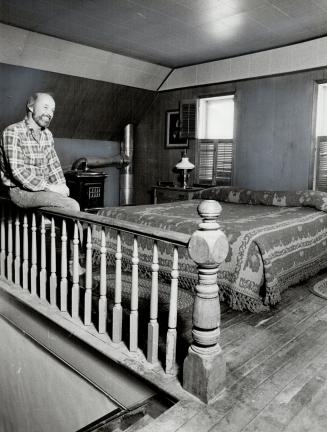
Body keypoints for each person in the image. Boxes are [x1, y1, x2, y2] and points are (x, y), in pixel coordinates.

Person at [0, 92, 84, 274]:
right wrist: (51, 188)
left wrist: (63, 187)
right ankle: (73, 261)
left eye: (52, 110)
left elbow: (54, 165)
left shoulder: (47, 135)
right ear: (31, 107)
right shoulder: (12, 132)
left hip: (41, 189)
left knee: (68, 203)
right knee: (73, 206)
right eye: (45, 107)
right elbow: (18, 171)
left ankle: (72, 258)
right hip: (19, 191)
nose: (50, 113)